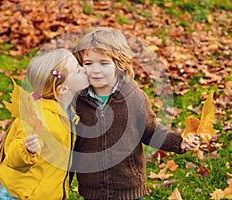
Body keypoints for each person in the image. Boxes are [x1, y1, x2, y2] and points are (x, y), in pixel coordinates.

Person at [70, 27, 200, 200]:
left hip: (128, 186)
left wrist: (178, 142)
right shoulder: (77, 100)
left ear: (119, 64)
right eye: (88, 63)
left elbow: (150, 130)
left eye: (103, 63)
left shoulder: (134, 98)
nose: (95, 70)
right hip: (92, 187)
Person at [0, 48, 89, 200]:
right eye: (78, 70)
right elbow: (13, 157)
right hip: (24, 195)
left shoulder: (67, 110)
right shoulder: (38, 119)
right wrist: (27, 150)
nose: (84, 70)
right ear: (63, 89)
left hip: (45, 191)